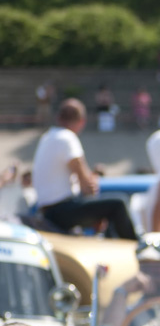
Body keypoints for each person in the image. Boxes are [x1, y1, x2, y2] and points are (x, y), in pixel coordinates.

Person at [31, 99, 137, 240]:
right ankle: (136, 249)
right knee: (119, 203)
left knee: (106, 208)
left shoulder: (47, 137)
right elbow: (87, 186)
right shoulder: (67, 138)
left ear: (58, 117)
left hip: (47, 210)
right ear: (81, 122)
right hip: (61, 211)